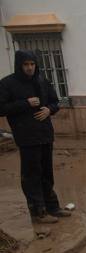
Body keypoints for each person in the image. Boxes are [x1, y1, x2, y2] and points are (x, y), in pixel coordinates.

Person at [0, 50, 70, 224]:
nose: (30, 68)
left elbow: (55, 101)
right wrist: (25, 103)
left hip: (45, 134)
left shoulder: (41, 80)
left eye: (32, 64)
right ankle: (38, 212)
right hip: (26, 136)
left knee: (47, 172)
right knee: (32, 174)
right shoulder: (8, 84)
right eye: (26, 65)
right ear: (19, 65)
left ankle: (52, 207)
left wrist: (49, 109)